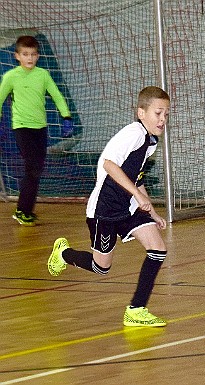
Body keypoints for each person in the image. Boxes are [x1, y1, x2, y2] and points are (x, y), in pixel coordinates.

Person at [47, 86, 170, 327]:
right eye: (158, 113)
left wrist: (152, 211)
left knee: (158, 250)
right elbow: (109, 165)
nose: (163, 119)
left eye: (166, 114)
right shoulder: (133, 134)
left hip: (129, 207)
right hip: (104, 209)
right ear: (141, 113)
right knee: (100, 267)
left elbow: (137, 178)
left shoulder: (150, 141)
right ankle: (63, 253)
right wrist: (136, 193)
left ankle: (136, 310)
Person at [0, 35, 73, 226]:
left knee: (36, 170)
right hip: (22, 128)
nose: (29, 58)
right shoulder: (10, 77)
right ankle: (22, 210)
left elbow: (57, 95)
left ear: (38, 56)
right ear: (17, 56)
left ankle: (25, 210)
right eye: (25, 54)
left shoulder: (43, 75)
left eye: (33, 54)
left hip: (40, 128)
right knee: (32, 168)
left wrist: (66, 117)